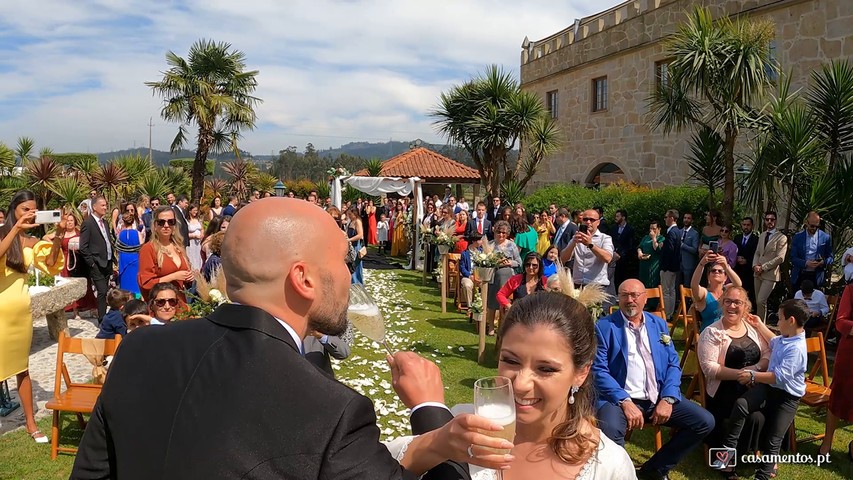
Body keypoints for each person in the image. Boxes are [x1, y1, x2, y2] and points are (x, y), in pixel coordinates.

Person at [72, 197, 511, 479]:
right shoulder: (331, 412)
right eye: (342, 260)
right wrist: (431, 409)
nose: (348, 274)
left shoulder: (141, 349)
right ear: (302, 278)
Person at [444, 292, 638, 479]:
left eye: (546, 369)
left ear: (581, 373)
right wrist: (431, 445)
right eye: (510, 361)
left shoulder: (609, 467)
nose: (520, 384)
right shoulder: (458, 425)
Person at [595, 279, 714, 480]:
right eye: (624, 295)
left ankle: (655, 469)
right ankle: (624, 475)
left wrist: (667, 398)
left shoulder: (657, 323)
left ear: (644, 298)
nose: (629, 300)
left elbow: (672, 364)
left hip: (657, 395)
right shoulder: (604, 326)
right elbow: (599, 370)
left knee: (704, 421)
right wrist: (624, 401)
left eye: (634, 295)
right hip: (619, 398)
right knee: (610, 428)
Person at [715, 300, 808, 479]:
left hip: (787, 398)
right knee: (741, 405)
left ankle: (763, 475)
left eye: (779, 319)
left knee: (774, 439)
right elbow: (774, 342)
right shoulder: (786, 337)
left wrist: (753, 375)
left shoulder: (797, 349)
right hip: (769, 389)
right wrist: (759, 324)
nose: (777, 322)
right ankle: (725, 460)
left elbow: (778, 376)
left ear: (791, 321)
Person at [0, 191, 65, 443]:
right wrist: (15, 229)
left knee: (22, 369)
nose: (30, 214)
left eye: (33, 210)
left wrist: (58, 235)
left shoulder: (30, 242)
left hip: (19, 316)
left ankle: (30, 423)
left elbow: (50, 262)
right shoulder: (5, 234)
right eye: (24, 209)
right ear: (13, 210)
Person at [697, 287, 771, 454]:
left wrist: (755, 370)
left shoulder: (753, 327)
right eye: (727, 301)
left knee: (771, 407)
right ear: (721, 305)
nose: (732, 306)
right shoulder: (712, 332)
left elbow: (769, 352)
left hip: (753, 385)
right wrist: (741, 375)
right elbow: (709, 368)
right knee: (753, 415)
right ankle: (729, 456)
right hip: (724, 389)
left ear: (745, 306)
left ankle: (760, 452)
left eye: (737, 302)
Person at [819, 283, 853, 459]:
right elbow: (840, 322)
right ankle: (827, 441)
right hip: (850, 354)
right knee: (839, 396)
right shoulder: (851, 289)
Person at [43, 213, 97, 318]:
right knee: (68, 287)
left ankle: (93, 308)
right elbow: (45, 237)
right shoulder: (61, 233)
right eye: (67, 220)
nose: (69, 222)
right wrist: (55, 246)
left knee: (86, 285)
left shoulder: (79, 233)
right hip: (65, 262)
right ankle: (75, 312)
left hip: (78, 262)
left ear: (75, 222)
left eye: (71, 220)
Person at [137, 206, 193, 304]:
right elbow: (146, 283)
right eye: (161, 222)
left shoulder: (178, 246)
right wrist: (173, 276)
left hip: (181, 304)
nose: (166, 226)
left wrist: (189, 277)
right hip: (161, 307)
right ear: (155, 225)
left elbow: (186, 281)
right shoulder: (148, 249)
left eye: (171, 222)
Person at [79, 195, 116, 323]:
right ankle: (102, 320)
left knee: (107, 292)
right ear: (94, 207)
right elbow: (83, 246)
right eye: (103, 205)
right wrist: (91, 263)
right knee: (102, 291)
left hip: (107, 261)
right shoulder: (88, 223)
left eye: (106, 205)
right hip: (96, 263)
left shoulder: (104, 222)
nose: (105, 208)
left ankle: (107, 317)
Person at [558, 209, 614, 290]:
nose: (588, 222)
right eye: (585, 219)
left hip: (596, 285)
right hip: (578, 285)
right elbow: (562, 259)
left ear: (598, 222)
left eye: (592, 220)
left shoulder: (605, 238)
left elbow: (608, 258)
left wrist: (590, 245)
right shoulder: (576, 237)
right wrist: (573, 244)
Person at [484, 221, 521, 336]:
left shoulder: (512, 245)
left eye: (504, 233)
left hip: (508, 277)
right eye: (499, 232)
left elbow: (519, 262)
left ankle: (503, 327)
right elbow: (485, 262)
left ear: (507, 233)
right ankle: (490, 325)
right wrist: (497, 263)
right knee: (492, 302)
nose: (501, 235)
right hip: (494, 276)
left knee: (506, 303)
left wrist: (510, 262)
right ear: (495, 232)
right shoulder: (490, 244)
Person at [691, 251, 742, 332]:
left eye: (720, 271)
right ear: (708, 277)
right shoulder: (704, 293)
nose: (716, 272)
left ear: (725, 278)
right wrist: (702, 263)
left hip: (728, 333)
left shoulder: (727, 291)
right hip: (710, 335)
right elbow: (694, 285)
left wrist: (726, 266)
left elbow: (738, 285)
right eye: (713, 270)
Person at [753, 212, 788, 322]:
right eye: (767, 219)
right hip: (757, 272)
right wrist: (754, 265)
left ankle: (761, 326)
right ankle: (758, 325)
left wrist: (763, 267)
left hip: (770, 274)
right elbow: (758, 252)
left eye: (772, 219)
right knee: (758, 302)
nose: (769, 222)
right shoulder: (763, 235)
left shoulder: (781, 237)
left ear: (775, 221)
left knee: (761, 300)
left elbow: (780, 258)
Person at [790, 211, 833, 290]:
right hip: (800, 275)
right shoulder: (798, 237)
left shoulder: (825, 237)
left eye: (817, 226)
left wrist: (823, 262)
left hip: (816, 276)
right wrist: (806, 263)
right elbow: (793, 258)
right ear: (806, 222)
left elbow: (830, 257)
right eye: (812, 226)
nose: (814, 229)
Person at [659, 209, 681, 322]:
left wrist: (665, 267)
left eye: (666, 217)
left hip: (668, 267)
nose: (665, 219)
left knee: (666, 291)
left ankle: (667, 314)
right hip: (675, 266)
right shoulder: (678, 231)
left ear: (672, 218)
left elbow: (670, 251)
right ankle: (670, 313)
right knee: (671, 290)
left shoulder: (672, 232)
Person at [116, 212, 143, 297]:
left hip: (123, 259)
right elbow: (142, 247)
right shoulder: (137, 233)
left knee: (125, 282)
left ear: (123, 221)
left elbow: (118, 247)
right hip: (135, 259)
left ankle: (125, 299)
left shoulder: (120, 234)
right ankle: (137, 299)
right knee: (135, 281)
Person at [734, 217, 758, 309]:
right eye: (744, 225)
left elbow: (758, 255)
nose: (746, 227)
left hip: (750, 272)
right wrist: (737, 258)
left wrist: (747, 261)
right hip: (738, 271)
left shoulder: (756, 239)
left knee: (749, 295)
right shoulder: (737, 238)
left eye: (748, 225)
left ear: (752, 226)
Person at [611, 209, 635, 290]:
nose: (616, 218)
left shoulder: (630, 229)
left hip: (624, 258)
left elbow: (630, 245)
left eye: (618, 216)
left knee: (623, 276)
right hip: (613, 256)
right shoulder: (613, 228)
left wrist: (622, 254)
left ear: (623, 217)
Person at [637, 221, 664, 292]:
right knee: (643, 284)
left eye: (654, 229)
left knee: (652, 284)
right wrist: (640, 253)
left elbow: (657, 249)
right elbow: (640, 247)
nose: (652, 230)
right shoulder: (646, 237)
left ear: (659, 229)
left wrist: (654, 238)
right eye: (650, 228)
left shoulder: (661, 238)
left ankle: (653, 302)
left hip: (653, 265)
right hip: (644, 264)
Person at [459, 233, 482, 308]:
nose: (481, 241)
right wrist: (469, 275)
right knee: (467, 285)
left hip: (480, 277)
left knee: (487, 286)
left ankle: (481, 306)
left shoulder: (482, 252)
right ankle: (470, 307)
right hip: (469, 276)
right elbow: (462, 267)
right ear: (473, 241)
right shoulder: (464, 253)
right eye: (479, 240)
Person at [680, 213, 700, 288]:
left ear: (691, 220)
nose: (686, 220)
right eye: (685, 218)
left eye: (688, 218)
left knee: (687, 286)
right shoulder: (679, 232)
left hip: (688, 264)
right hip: (678, 263)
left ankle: (687, 300)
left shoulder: (694, 234)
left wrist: (682, 245)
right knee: (677, 285)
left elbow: (694, 249)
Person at [346, 206, 365, 284]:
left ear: (355, 213)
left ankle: (357, 283)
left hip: (356, 247)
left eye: (350, 214)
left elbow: (360, 235)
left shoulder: (358, 221)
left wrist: (349, 240)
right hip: (350, 247)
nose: (349, 216)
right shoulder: (351, 221)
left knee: (355, 267)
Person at [185, 204, 204, 271]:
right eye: (194, 210)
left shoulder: (198, 219)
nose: (196, 212)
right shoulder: (186, 221)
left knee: (198, 257)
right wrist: (194, 236)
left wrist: (201, 235)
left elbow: (202, 229)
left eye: (196, 210)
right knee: (192, 257)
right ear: (190, 211)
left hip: (199, 243)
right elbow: (185, 234)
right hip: (191, 243)